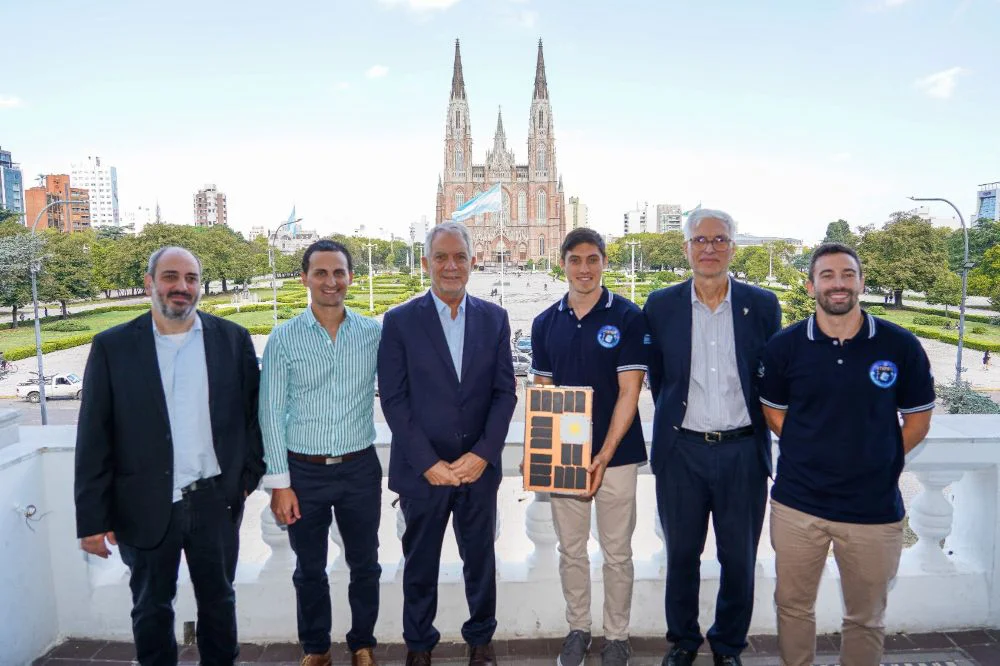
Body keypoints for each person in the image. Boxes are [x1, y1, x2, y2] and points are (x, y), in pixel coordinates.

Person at [75, 246, 264, 666]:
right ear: (149, 283)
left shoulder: (231, 339)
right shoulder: (113, 346)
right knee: (150, 608)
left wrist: (245, 478)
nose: (182, 287)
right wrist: (92, 519)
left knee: (219, 602)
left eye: (191, 278)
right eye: (171, 277)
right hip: (142, 503)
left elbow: (254, 417)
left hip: (214, 500)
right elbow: (94, 438)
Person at [758, 243, 935, 666]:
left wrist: (877, 459)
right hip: (798, 505)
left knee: (866, 617)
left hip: (873, 510)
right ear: (811, 285)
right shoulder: (785, 347)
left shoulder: (899, 345)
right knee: (793, 606)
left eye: (847, 274)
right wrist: (811, 449)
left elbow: (918, 421)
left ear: (861, 282)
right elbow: (772, 411)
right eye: (827, 275)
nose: (838, 283)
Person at [643, 209, 782, 666]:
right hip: (682, 451)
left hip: (743, 451)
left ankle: (728, 646)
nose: (709, 248)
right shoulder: (660, 305)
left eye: (719, 240)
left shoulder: (762, 305)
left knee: (739, 559)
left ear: (732, 247)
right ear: (686, 248)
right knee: (682, 555)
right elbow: (660, 381)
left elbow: (772, 377)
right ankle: (682, 641)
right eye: (700, 240)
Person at [378, 221, 517, 666]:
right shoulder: (400, 321)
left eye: (459, 257)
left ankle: (481, 641)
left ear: (473, 262)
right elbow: (395, 399)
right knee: (419, 567)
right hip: (424, 474)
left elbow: (504, 393)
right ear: (426, 264)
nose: (451, 266)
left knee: (481, 563)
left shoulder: (494, 318)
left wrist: (482, 455)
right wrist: (428, 463)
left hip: (478, 471)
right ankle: (419, 646)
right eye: (441, 257)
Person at [259, 240, 383, 666]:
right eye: (321, 273)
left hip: (360, 468)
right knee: (308, 569)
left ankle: (362, 643)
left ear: (351, 277)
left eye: (339, 273)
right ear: (305, 278)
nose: (331, 282)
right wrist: (279, 484)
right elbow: (271, 413)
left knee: (365, 563)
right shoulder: (284, 337)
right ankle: (316, 648)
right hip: (303, 472)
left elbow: (407, 388)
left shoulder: (373, 333)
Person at [529, 228, 649, 666]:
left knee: (617, 553)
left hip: (616, 457)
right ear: (563, 263)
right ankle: (578, 627)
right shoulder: (545, 322)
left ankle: (617, 636)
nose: (584, 268)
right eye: (576, 259)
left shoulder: (628, 316)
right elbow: (544, 390)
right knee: (571, 551)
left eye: (593, 259)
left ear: (603, 262)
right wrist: (540, 450)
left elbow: (629, 392)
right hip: (565, 457)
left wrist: (603, 453)